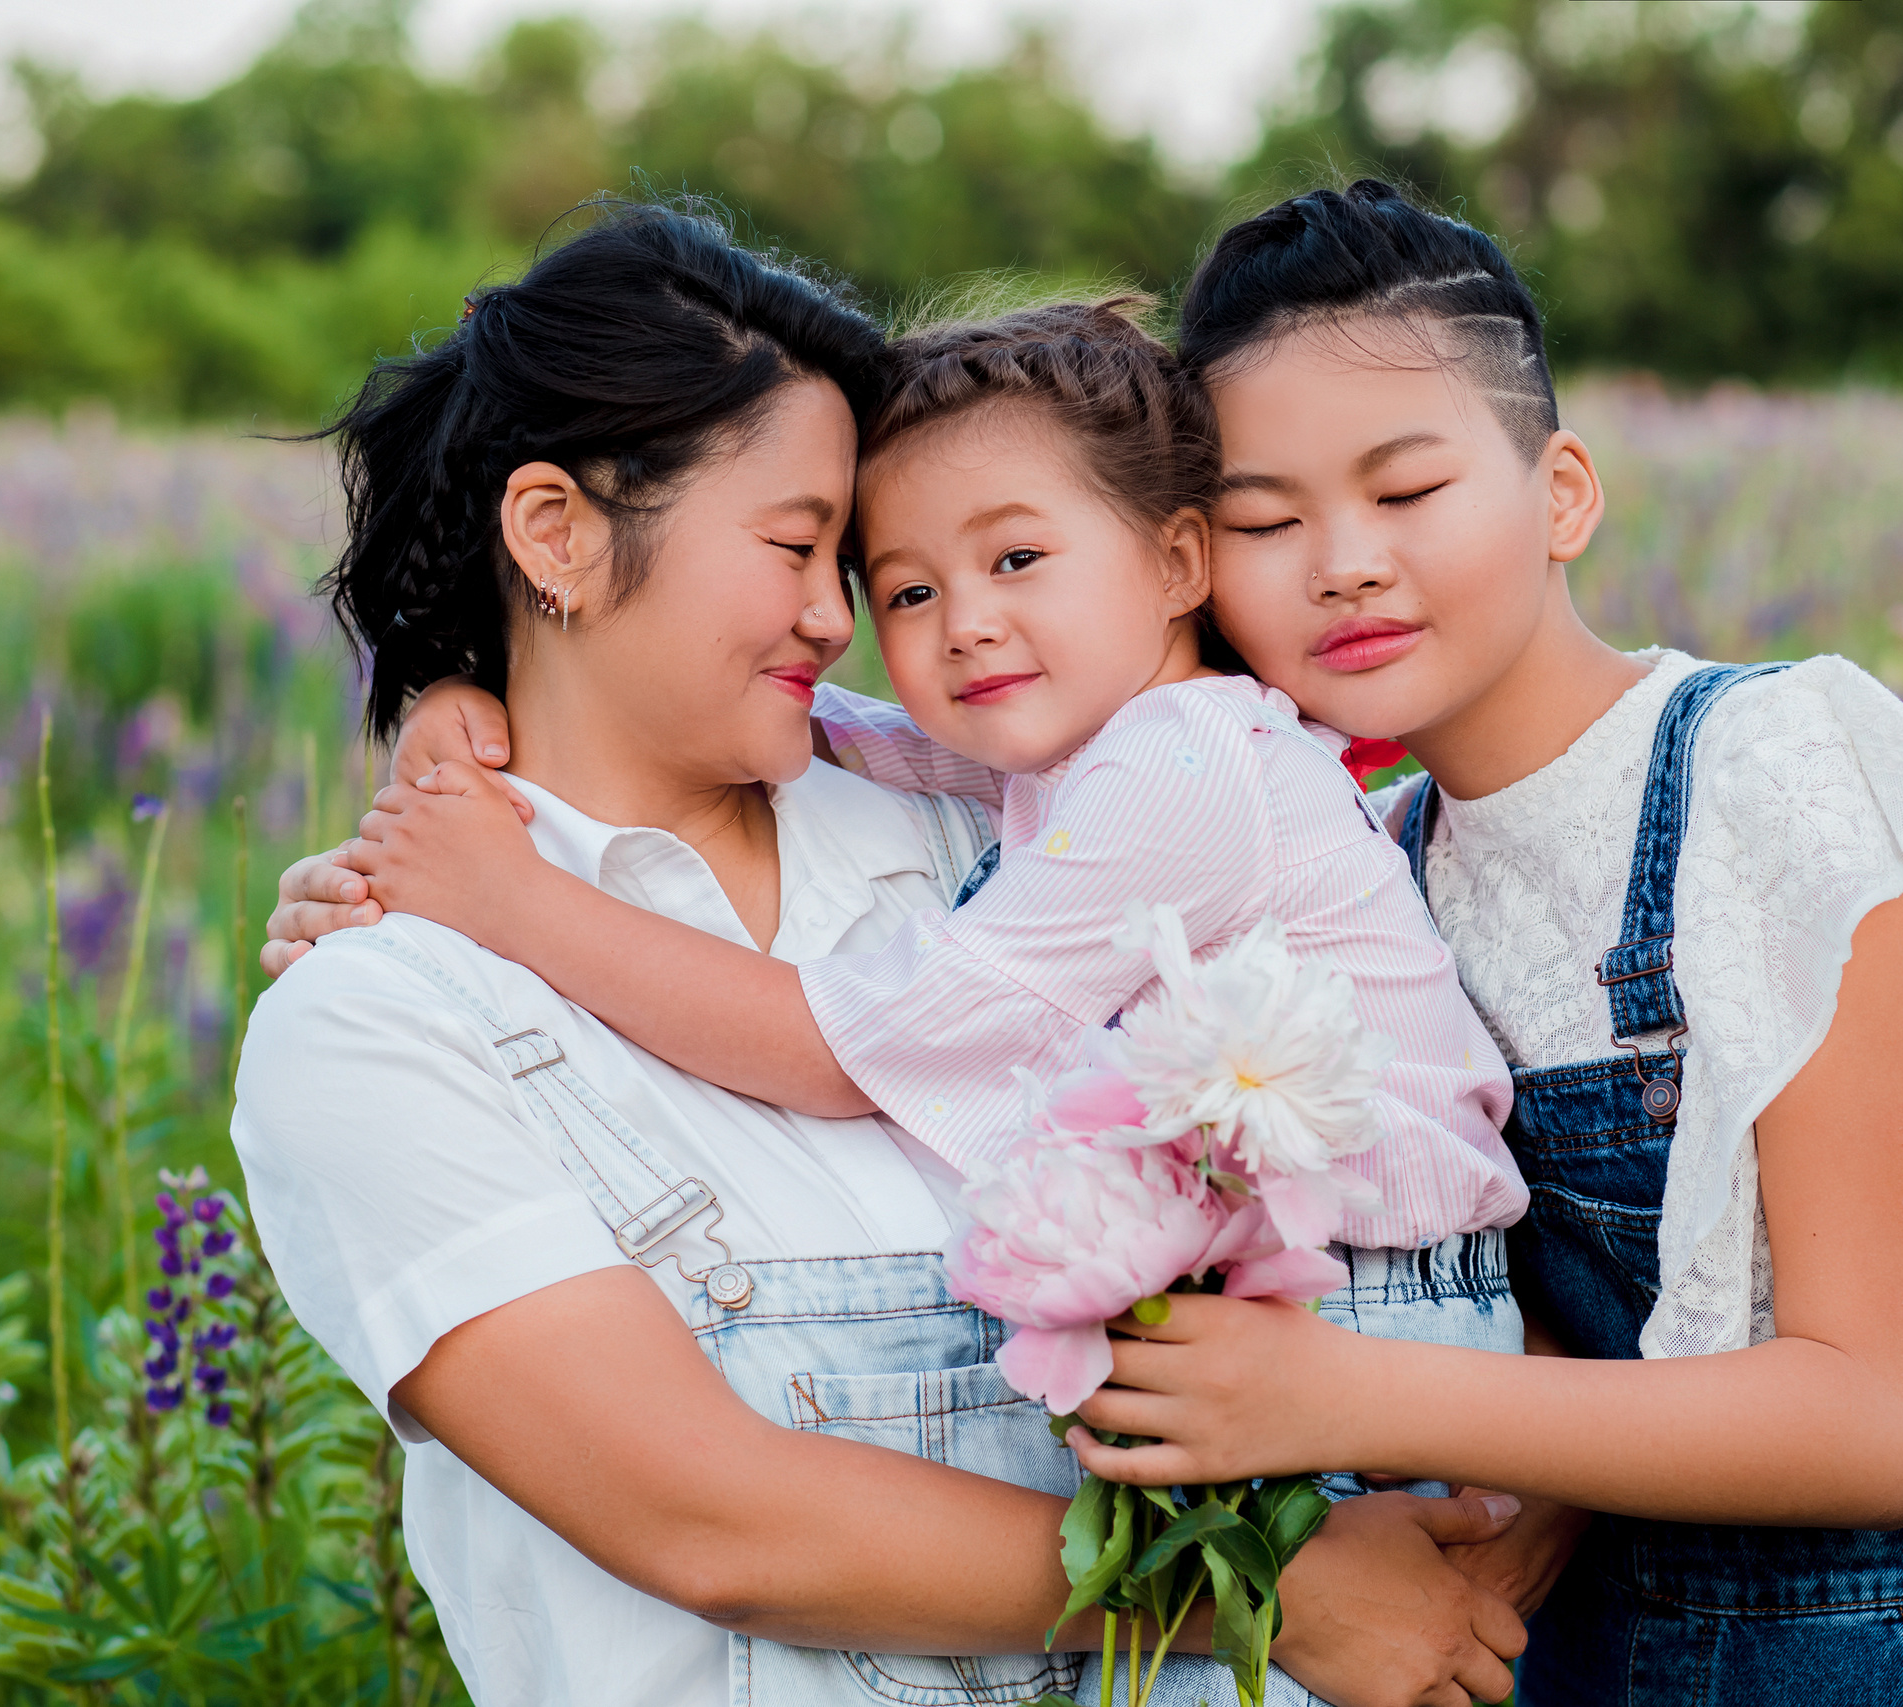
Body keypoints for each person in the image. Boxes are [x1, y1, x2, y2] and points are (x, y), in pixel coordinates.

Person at [232, 197, 1529, 1707]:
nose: (836, 621)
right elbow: (709, 1521)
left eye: (840, 564)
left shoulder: (1002, 828)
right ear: (554, 534)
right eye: (829, 559)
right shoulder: (387, 1010)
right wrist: (1268, 1601)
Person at [1055, 182, 1903, 1705]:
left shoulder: (1777, 772)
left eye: (1405, 492)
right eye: (1264, 523)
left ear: (1562, 493)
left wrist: (1332, 1395)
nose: (1341, 560)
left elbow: (1870, 1424)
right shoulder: (1379, 863)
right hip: (1612, 1647)